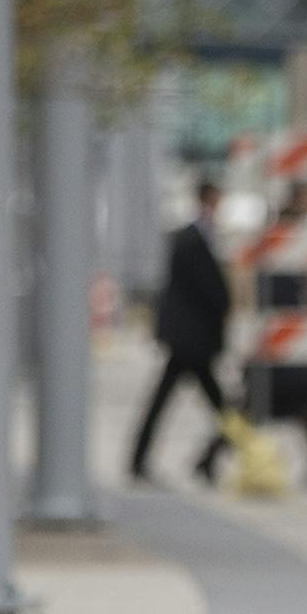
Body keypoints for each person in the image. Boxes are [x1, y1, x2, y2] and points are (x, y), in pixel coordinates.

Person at [196, 181, 307, 485]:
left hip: (284, 337)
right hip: (279, 338)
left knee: (268, 401)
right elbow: (281, 292)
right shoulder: (285, 235)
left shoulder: (288, 233)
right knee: (286, 397)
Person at [129, 179, 231, 482]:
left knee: (181, 402)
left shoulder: (198, 238)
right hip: (190, 340)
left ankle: (207, 459)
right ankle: (231, 457)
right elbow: (204, 292)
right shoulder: (191, 239)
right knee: (222, 405)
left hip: (191, 340)